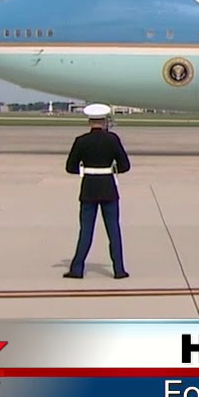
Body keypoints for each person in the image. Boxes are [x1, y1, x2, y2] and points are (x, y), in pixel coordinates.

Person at [63, 103, 131, 279]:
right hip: (108, 187)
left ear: (89, 121)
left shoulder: (81, 141)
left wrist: (86, 170)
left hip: (89, 189)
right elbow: (125, 166)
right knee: (113, 230)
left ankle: (77, 269)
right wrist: (111, 169)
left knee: (86, 230)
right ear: (105, 120)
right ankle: (119, 269)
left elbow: (70, 167)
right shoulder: (112, 139)